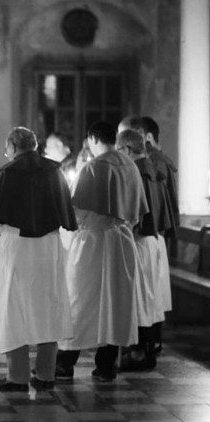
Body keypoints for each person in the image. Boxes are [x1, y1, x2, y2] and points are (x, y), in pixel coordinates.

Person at [56, 121, 148, 382]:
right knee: (115, 304)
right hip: (122, 241)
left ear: (94, 139)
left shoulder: (94, 167)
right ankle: (106, 365)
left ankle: (65, 363)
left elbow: (75, 212)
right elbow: (138, 209)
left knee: (78, 301)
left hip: (93, 243)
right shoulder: (129, 164)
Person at [0, 127, 77, 391]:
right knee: (48, 307)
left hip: (16, 246)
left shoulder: (6, 173)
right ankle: (46, 375)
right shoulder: (54, 171)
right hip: (49, 246)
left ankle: (18, 377)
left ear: (14, 147)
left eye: (7, 148)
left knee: (11, 307)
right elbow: (65, 210)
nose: (7, 153)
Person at [115, 128, 171, 371]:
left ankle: (140, 353)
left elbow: (135, 212)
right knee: (148, 297)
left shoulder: (137, 171)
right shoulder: (151, 167)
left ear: (127, 148)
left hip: (140, 240)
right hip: (152, 239)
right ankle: (144, 350)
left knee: (140, 298)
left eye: (119, 150)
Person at [141, 116, 176, 352]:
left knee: (151, 293)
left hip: (152, 234)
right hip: (155, 234)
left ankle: (149, 344)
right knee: (153, 293)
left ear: (149, 138)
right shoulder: (154, 162)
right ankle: (150, 342)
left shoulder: (154, 164)